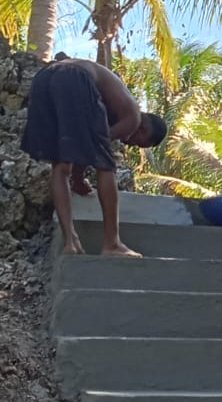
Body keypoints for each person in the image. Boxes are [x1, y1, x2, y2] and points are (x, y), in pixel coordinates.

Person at [21, 58, 167, 257]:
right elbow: (94, 147)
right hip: (75, 78)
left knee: (60, 164)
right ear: (143, 130)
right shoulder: (134, 117)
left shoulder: (109, 105)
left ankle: (71, 242)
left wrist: (78, 178)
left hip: (45, 78)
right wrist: (79, 178)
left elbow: (83, 144)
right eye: (137, 142)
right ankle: (112, 244)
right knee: (107, 166)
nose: (128, 143)